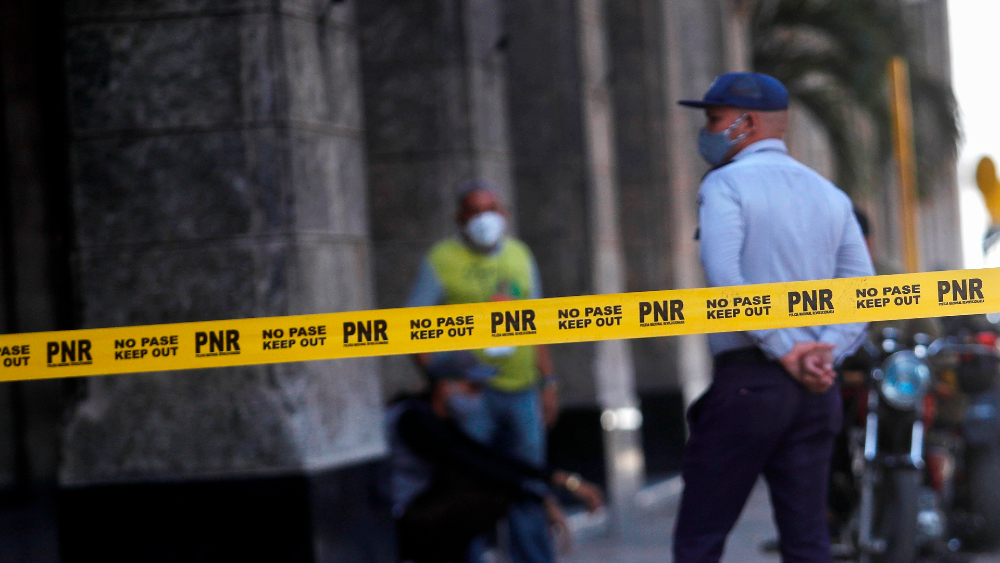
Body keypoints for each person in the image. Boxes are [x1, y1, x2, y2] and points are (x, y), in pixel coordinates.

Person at [674, 72, 875, 563]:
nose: (706, 131)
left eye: (714, 119)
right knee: (807, 542)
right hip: (816, 391)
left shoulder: (725, 184)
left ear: (746, 124)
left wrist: (787, 352)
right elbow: (863, 291)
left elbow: (726, 279)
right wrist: (824, 354)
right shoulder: (830, 194)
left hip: (750, 383)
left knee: (700, 538)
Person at [405, 180, 558, 563]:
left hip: (522, 390)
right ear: (460, 218)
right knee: (469, 489)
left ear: (504, 213)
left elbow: (538, 322)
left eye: (491, 209)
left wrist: (548, 382)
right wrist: (438, 380)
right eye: (475, 211)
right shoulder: (441, 260)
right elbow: (410, 326)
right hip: (472, 396)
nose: (485, 219)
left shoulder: (520, 256)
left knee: (528, 485)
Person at [387, 351, 602, 563]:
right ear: (445, 387)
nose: (479, 395)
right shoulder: (414, 420)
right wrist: (544, 498)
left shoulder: (440, 418)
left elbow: (491, 457)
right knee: (490, 492)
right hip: (402, 519)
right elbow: (476, 464)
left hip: (423, 511)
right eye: (473, 387)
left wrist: (558, 480)